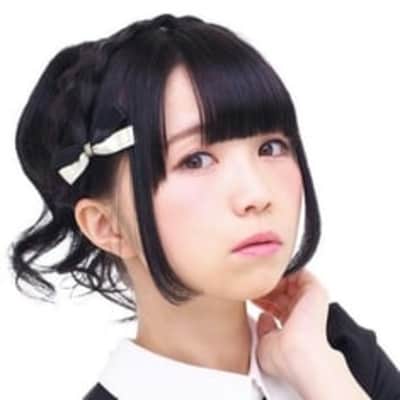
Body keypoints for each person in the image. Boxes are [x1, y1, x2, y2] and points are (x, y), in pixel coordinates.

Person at [9, 13, 400, 399]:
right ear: (106, 226)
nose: (257, 195)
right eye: (195, 160)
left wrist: (317, 371)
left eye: (270, 147)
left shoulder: (336, 358)